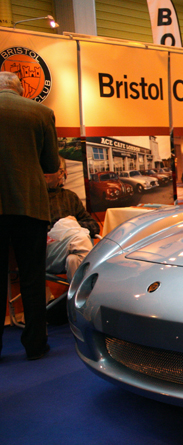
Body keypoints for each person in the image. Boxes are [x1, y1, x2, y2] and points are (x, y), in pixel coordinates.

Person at [0, 71, 60, 360]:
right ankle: (35, 345)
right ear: (20, 90)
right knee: (32, 278)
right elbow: (50, 164)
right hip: (30, 205)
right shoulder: (41, 112)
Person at [45, 158, 100, 281]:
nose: (44, 172)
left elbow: (94, 226)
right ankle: (93, 289)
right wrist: (62, 226)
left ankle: (78, 297)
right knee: (79, 238)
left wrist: (73, 224)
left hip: (69, 250)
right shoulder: (32, 197)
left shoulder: (70, 197)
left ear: (61, 173)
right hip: (42, 252)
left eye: (48, 168)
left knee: (73, 260)